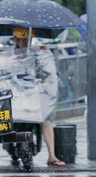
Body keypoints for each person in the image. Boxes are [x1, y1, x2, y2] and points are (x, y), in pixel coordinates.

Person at [12, 27, 66, 167]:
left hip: (35, 94)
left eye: (27, 40)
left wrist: (44, 72)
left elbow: (48, 71)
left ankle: (52, 156)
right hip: (17, 95)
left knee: (47, 121)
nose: (24, 43)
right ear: (16, 40)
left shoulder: (39, 54)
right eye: (22, 40)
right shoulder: (8, 56)